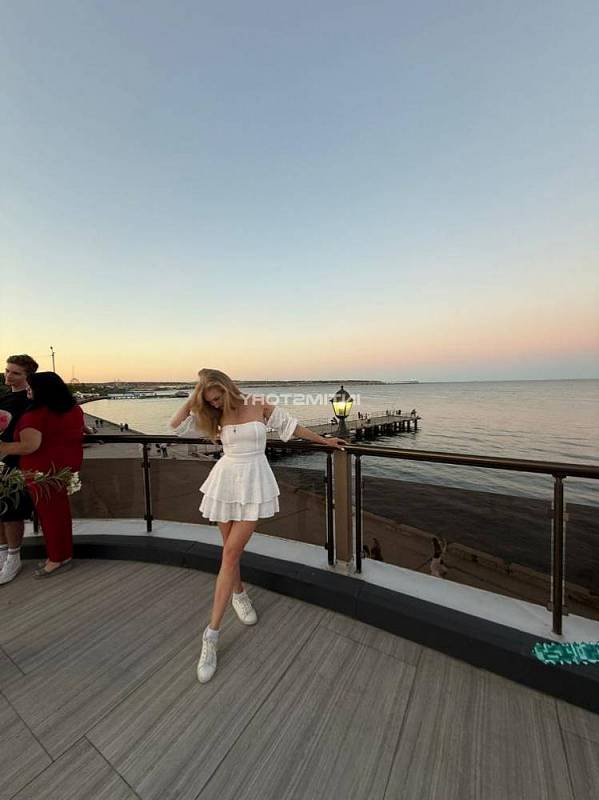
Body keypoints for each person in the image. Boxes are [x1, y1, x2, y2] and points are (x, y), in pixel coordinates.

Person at [170, 368, 346, 684]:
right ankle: (238, 595)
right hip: (226, 482)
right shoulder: (214, 414)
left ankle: (211, 634)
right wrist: (195, 395)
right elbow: (176, 426)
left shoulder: (258, 403)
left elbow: (291, 426)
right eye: (210, 400)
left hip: (254, 482)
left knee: (230, 554)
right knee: (230, 554)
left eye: (218, 396)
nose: (215, 403)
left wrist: (325, 441)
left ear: (228, 388)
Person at [0, 372, 84, 578]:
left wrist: (3, 446)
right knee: (59, 514)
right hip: (62, 469)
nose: (28, 390)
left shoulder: (36, 415)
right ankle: (63, 555)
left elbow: (29, 446)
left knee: (49, 517)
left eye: (31, 387)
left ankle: (56, 559)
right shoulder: (74, 409)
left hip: (40, 471)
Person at [0, 354, 39, 584]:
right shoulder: (4, 398)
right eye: (7, 370)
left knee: (12, 513)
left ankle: (14, 558)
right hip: (2, 460)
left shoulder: (32, 401)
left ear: (28, 376)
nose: (9, 375)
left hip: (17, 463)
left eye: (16, 373)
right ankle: (3, 554)